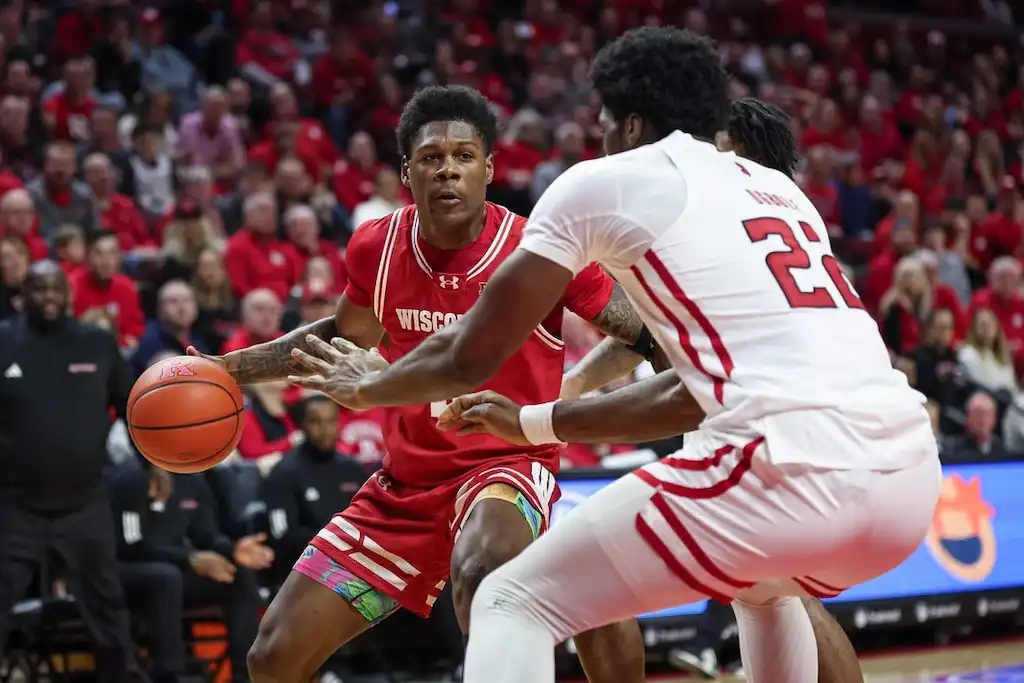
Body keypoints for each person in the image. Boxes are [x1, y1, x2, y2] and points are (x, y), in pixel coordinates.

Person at [284, 29, 939, 683]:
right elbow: (680, 376)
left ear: (629, 123)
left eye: (600, 121)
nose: (595, 136)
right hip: (909, 472)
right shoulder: (780, 193)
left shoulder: (608, 183)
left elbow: (467, 356)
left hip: (785, 462)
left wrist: (368, 387)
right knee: (765, 587)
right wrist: (546, 411)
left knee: (510, 599)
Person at [190, 85, 649, 683]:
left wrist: (574, 385)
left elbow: (647, 333)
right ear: (407, 172)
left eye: (463, 156)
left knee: (483, 571)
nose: (447, 170)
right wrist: (228, 369)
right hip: (403, 487)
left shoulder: (540, 251)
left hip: (504, 468)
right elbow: (343, 335)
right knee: (272, 656)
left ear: (489, 168)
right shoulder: (375, 247)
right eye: (431, 158)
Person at [0, 261, 139, 683]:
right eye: (38, 289)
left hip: (85, 503)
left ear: (69, 294)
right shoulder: (4, 340)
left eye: (56, 289)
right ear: (22, 295)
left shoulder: (96, 342)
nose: (48, 298)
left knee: (108, 607)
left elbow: (134, 407)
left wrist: (153, 463)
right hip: (15, 505)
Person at [111, 458, 272, 683]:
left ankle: (246, 674)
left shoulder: (193, 478)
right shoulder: (132, 476)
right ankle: (170, 674)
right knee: (166, 577)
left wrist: (232, 550)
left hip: (176, 569)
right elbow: (130, 545)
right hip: (125, 571)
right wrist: (188, 558)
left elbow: (207, 535)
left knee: (238, 575)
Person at [260, 395, 370, 586]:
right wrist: (337, 544)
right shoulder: (285, 472)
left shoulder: (353, 469)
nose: (325, 430)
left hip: (355, 567)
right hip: (304, 573)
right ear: (302, 425)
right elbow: (282, 535)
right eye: (315, 422)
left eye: (331, 421)